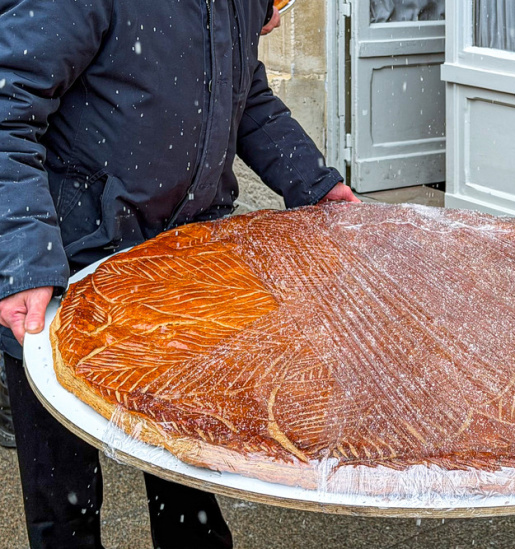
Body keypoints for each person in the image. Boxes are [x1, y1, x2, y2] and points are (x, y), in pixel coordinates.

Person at [0, 0, 359, 547]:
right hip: (66, 278)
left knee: (188, 470)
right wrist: (25, 259)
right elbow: (6, 111)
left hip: (181, 277)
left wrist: (314, 183)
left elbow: (248, 100)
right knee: (64, 498)